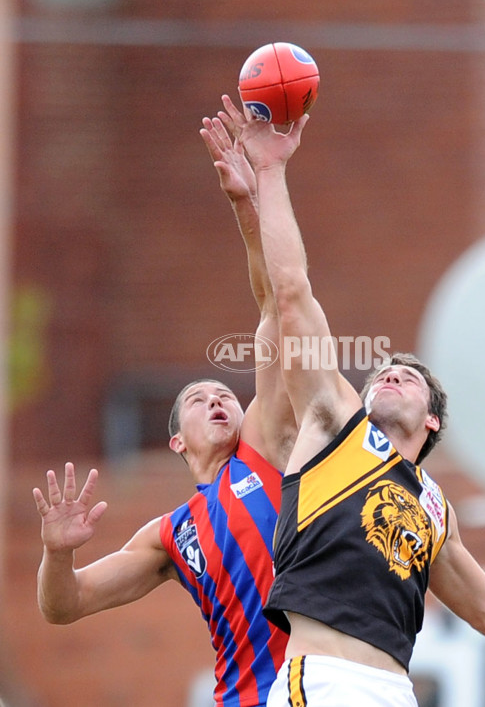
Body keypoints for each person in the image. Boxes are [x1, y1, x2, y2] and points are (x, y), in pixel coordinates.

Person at [218, 94, 485, 706]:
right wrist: (270, 172)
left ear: (432, 420)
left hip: (395, 691)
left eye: (408, 376)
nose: (389, 375)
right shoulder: (335, 428)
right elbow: (288, 297)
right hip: (323, 681)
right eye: (383, 374)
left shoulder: (435, 508)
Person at [32, 115, 298, 707]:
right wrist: (57, 552)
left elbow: (276, 308)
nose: (219, 399)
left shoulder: (265, 449)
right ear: (177, 440)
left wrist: (247, 209)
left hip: (316, 692)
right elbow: (64, 606)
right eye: (198, 400)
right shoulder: (170, 536)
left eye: (225, 393)